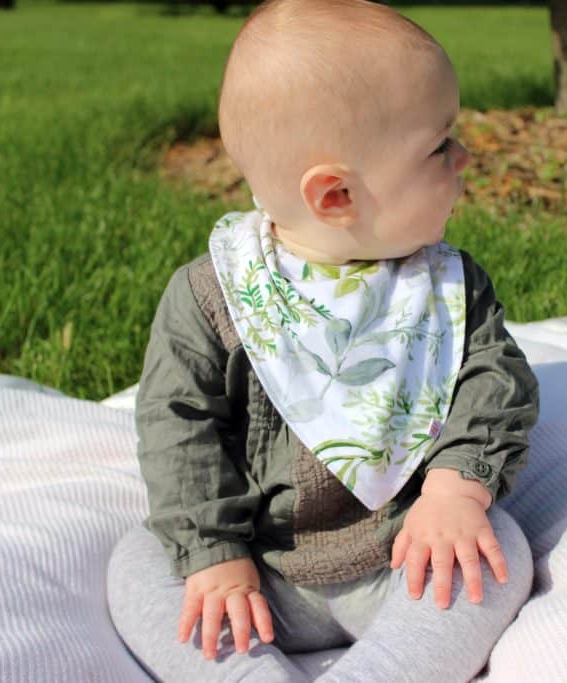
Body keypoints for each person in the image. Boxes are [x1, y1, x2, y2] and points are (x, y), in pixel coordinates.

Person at [106, 1, 539, 680]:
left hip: (403, 552)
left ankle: (383, 668)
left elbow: (494, 383)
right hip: (257, 573)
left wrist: (455, 491)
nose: (465, 156)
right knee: (140, 561)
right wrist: (214, 553)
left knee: (498, 546)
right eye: (439, 145)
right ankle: (245, 672)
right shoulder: (214, 295)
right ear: (335, 195)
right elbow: (176, 427)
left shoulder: (448, 288)